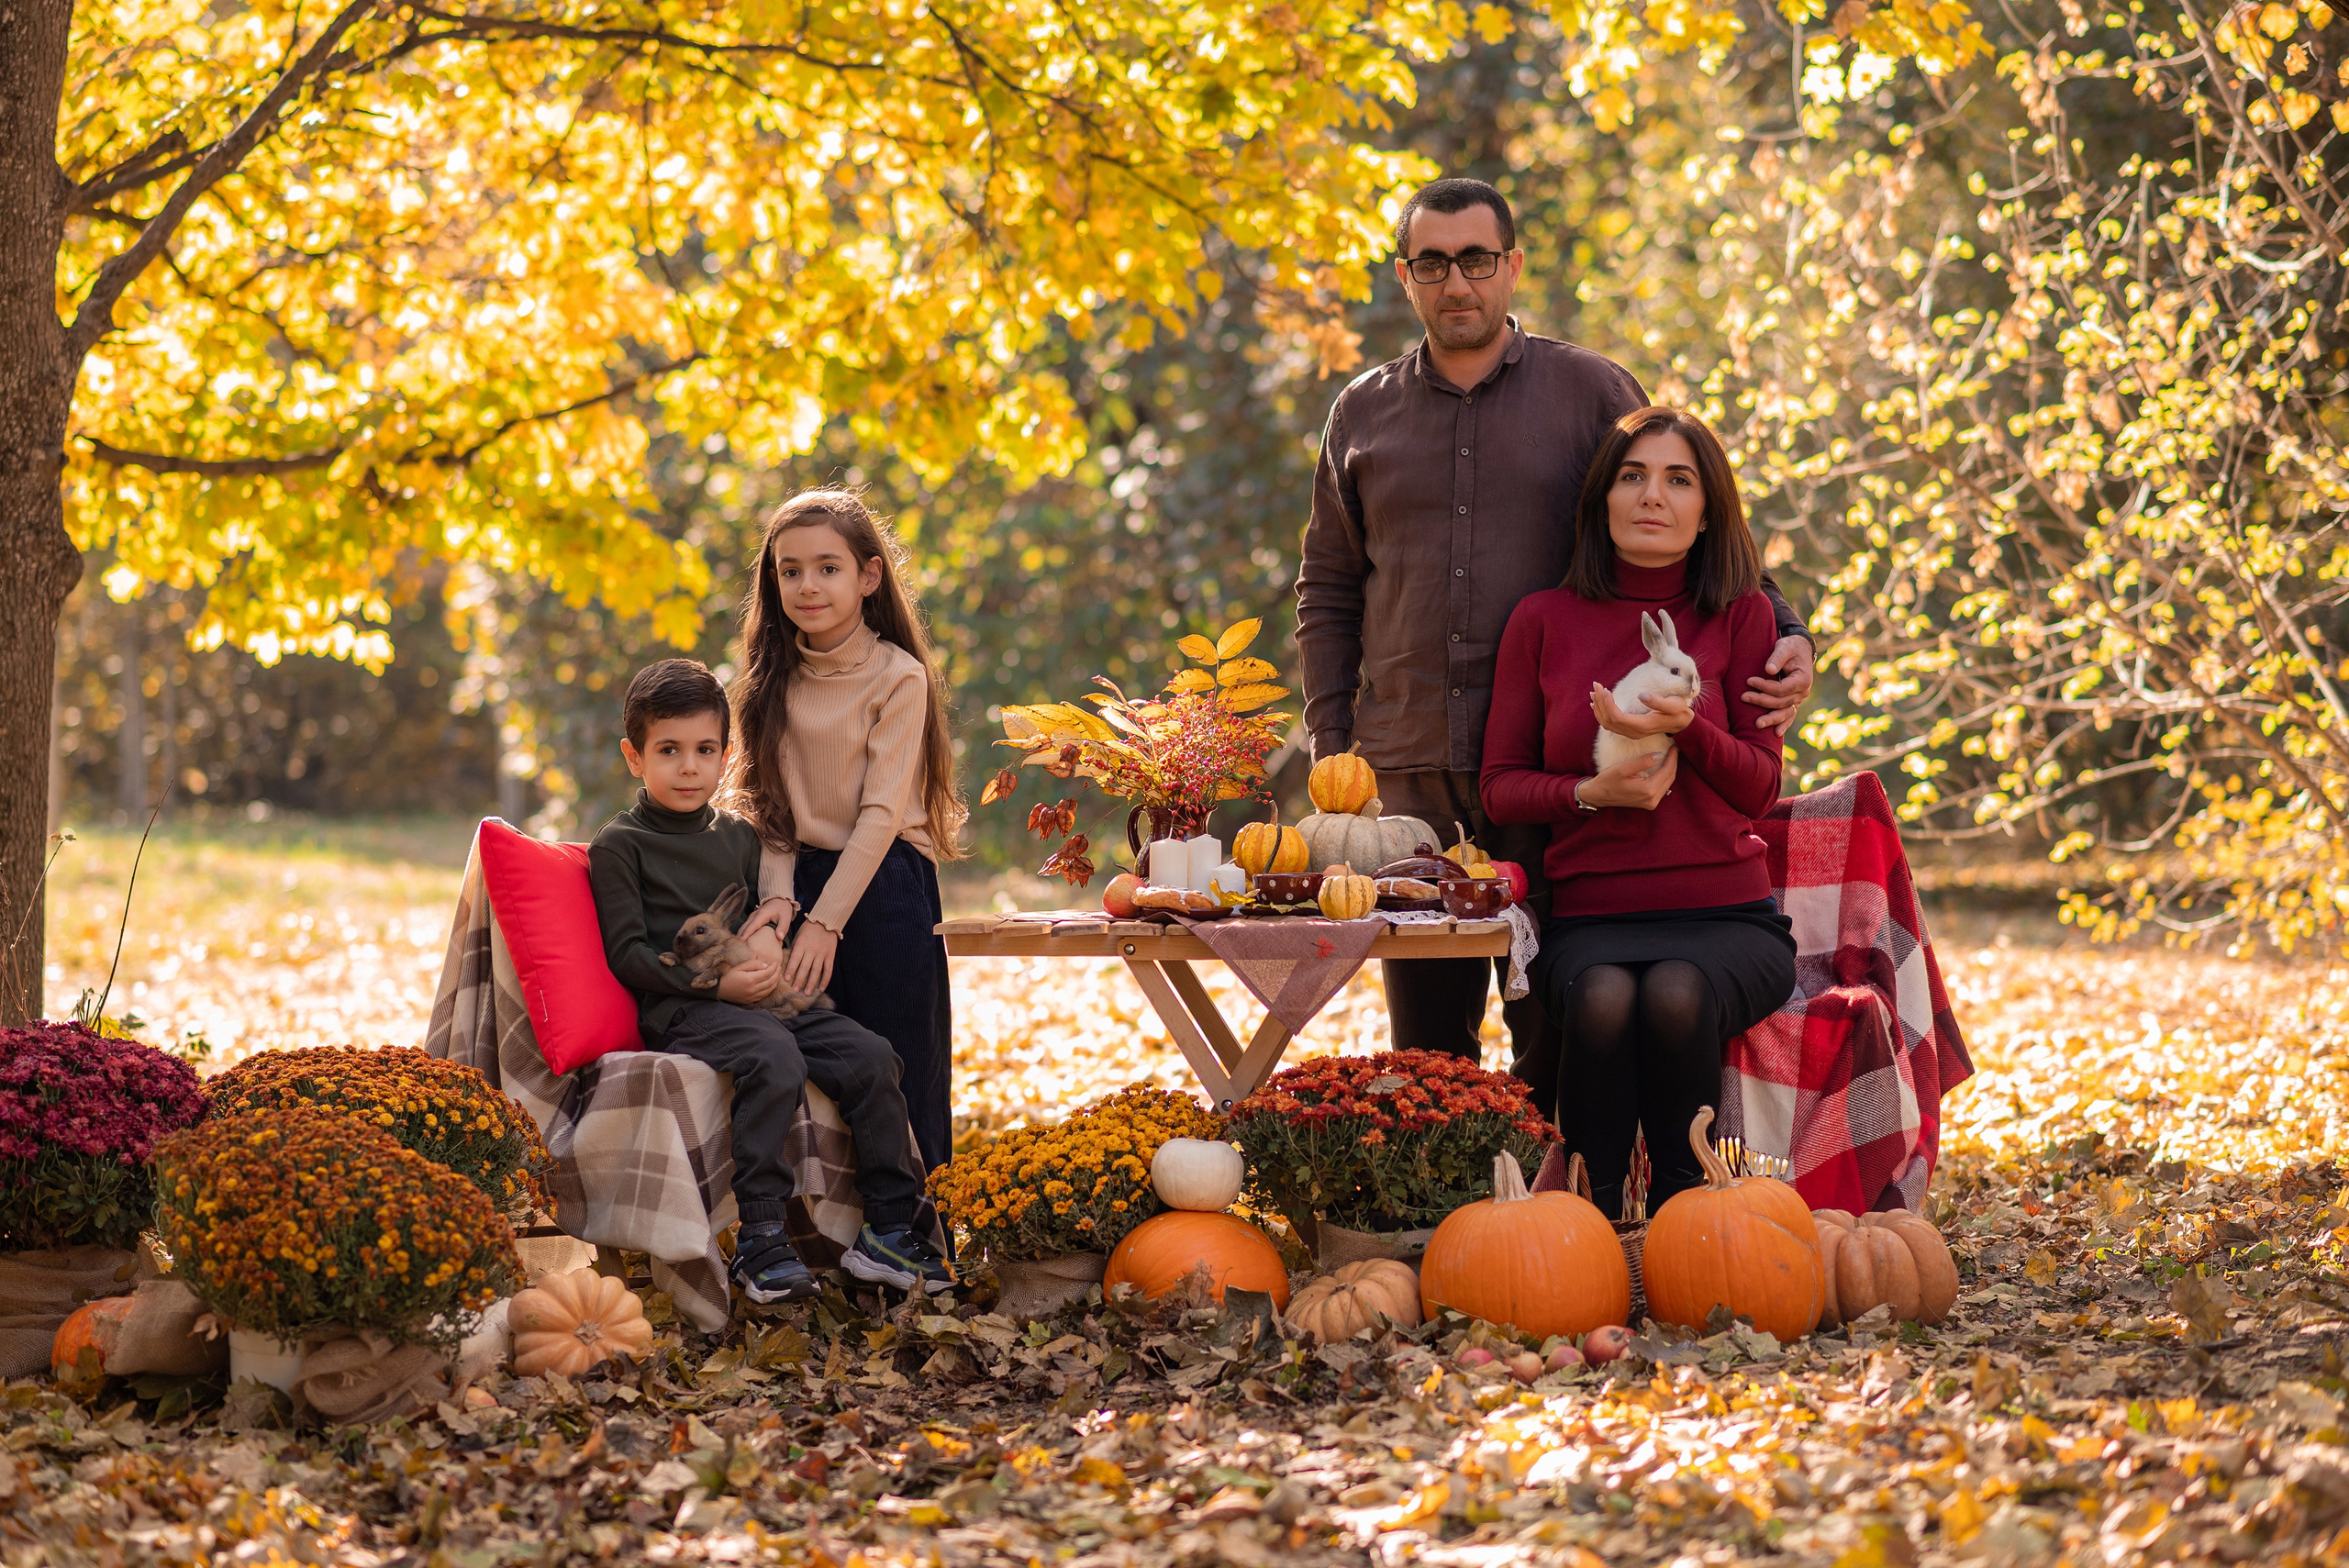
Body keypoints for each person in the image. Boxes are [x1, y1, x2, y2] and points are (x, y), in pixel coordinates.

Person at [1294, 175, 1814, 1087]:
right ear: (1405, 276)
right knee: (1428, 1050)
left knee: (1560, 1036)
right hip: (1409, 771)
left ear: (1512, 267)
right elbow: (1330, 590)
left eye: (1476, 260)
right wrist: (1337, 752)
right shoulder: (1361, 413)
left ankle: (1558, 1214)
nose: (1457, 282)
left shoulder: (1589, 391)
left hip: (1556, 769)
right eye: (1432, 262)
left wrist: (1791, 626)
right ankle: (1438, 1223)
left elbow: (1694, 512)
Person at [1480, 406, 1799, 1216]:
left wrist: (1687, 726)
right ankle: (1589, 1224)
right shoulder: (1543, 620)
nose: (1652, 496)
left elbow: (1760, 786)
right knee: (1602, 996)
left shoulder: (1742, 615)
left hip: (1727, 917)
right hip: (1592, 921)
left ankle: (1683, 1219)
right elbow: (1501, 783)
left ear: (1706, 511)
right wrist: (1591, 794)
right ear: (1602, 501)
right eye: (1633, 476)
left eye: (1678, 479)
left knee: (1676, 990)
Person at [588, 658, 953, 1302]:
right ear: (633, 756)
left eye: (704, 750)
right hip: (686, 1010)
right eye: (668, 750)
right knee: (773, 1054)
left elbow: (765, 908)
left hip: (768, 997)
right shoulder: (621, 845)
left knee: (872, 1055)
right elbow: (628, 956)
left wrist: (768, 944)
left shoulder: (738, 835)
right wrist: (717, 989)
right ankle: (761, 1237)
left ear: (726, 757)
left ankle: (890, 1229)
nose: (689, 766)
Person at [721, 489, 966, 1176]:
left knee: (899, 1066)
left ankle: (920, 1237)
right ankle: (824, 1237)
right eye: (789, 569)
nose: (807, 585)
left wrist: (824, 923)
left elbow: (881, 816)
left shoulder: (899, 676)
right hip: (795, 881)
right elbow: (770, 809)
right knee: (816, 1069)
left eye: (828, 568)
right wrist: (776, 908)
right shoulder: (770, 679)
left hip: (884, 887)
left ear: (868, 576)